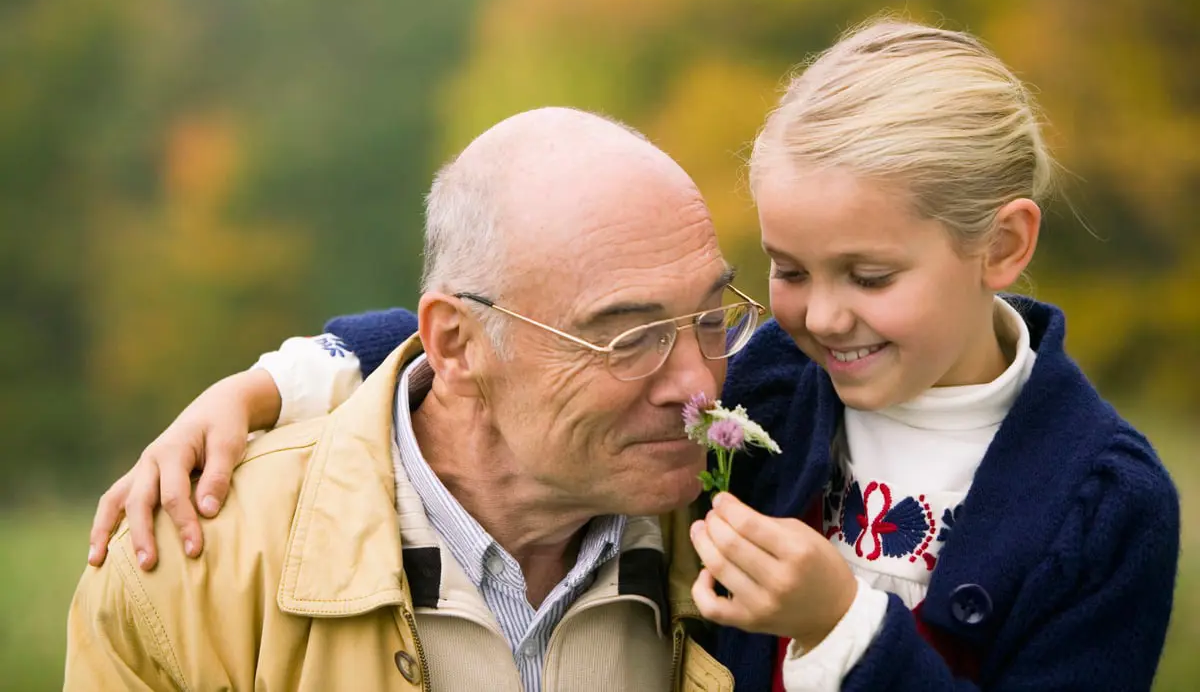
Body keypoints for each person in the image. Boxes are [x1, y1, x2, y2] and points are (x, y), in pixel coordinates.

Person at [86, 19, 1180, 691]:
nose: (820, 317)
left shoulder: (1099, 501)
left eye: (869, 277)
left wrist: (846, 624)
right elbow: (491, 329)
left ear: (1005, 246)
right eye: (788, 272)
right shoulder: (782, 388)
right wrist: (278, 377)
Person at [67, 107, 762, 691]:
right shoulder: (189, 576)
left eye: (710, 320)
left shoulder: (768, 527)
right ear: (457, 345)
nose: (699, 388)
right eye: (629, 337)